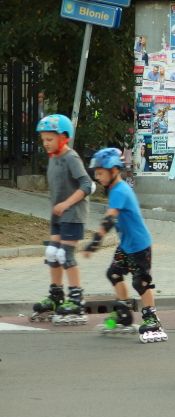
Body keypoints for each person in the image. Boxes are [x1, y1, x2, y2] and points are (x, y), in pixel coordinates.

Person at [83, 148, 166, 342]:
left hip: (139, 246)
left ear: (114, 171)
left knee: (141, 282)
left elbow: (109, 219)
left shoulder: (120, 190)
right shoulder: (115, 189)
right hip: (126, 246)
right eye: (96, 173)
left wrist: (95, 242)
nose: (97, 177)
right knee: (114, 273)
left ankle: (152, 320)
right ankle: (123, 311)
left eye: (100, 173)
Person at [31, 114, 93, 324]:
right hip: (57, 215)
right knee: (52, 253)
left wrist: (66, 204)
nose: (45, 143)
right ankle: (56, 296)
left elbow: (87, 185)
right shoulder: (53, 158)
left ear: (64, 137)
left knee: (65, 255)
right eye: (43, 140)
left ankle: (76, 300)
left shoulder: (71, 157)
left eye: (49, 139)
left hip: (73, 214)